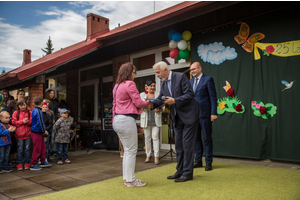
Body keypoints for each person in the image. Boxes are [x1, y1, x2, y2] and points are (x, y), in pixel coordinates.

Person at [152, 61, 201, 182]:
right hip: (177, 118)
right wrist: (147, 105)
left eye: (158, 72)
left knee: (187, 145)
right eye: (156, 73)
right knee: (179, 146)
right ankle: (180, 171)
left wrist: (175, 100)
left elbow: (190, 94)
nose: (157, 75)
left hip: (190, 116)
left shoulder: (180, 76)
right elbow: (160, 100)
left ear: (165, 69)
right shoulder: (163, 84)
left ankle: (188, 173)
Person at [112, 62, 151, 187]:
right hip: (126, 120)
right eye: (135, 72)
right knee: (131, 151)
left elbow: (114, 105)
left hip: (117, 119)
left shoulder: (116, 86)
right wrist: (148, 103)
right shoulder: (130, 84)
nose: (135, 75)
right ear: (129, 73)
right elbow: (138, 102)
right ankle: (130, 180)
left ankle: (127, 178)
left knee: (127, 151)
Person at [190, 62, 218, 171]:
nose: (192, 71)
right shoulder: (189, 82)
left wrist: (213, 113)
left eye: (194, 69)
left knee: (207, 138)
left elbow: (213, 98)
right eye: (191, 70)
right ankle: (198, 161)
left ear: (200, 68)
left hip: (205, 114)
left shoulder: (208, 79)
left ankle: (208, 162)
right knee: (196, 139)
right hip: (193, 115)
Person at [140, 79, 164, 165]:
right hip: (146, 120)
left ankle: (156, 157)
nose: (153, 87)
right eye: (151, 86)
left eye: (154, 86)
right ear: (147, 86)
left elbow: (163, 107)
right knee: (147, 138)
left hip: (156, 119)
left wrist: (160, 109)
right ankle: (148, 155)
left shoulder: (158, 94)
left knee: (155, 137)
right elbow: (139, 106)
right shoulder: (142, 95)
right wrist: (142, 107)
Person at [30, 96, 52, 170]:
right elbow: (40, 123)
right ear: (42, 103)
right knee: (37, 148)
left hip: (38, 132)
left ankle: (43, 161)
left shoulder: (36, 110)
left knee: (43, 147)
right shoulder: (38, 111)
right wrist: (44, 131)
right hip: (37, 132)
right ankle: (33, 164)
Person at [11, 100, 32, 170]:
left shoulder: (29, 112)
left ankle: (27, 162)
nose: (22, 106)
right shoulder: (15, 113)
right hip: (19, 135)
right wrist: (22, 121)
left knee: (27, 149)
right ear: (18, 106)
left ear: (26, 105)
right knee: (19, 150)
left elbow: (32, 121)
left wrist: (28, 122)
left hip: (28, 134)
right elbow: (13, 122)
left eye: (24, 105)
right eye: (21, 105)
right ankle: (19, 163)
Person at [45, 89, 59, 157]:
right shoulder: (46, 101)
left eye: (53, 93)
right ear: (48, 94)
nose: (52, 94)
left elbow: (56, 112)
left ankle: (52, 151)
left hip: (53, 120)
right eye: (51, 93)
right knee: (48, 136)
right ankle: (47, 151)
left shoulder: (55, 102)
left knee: (53, 136)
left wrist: (55, 119)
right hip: (47, 121)